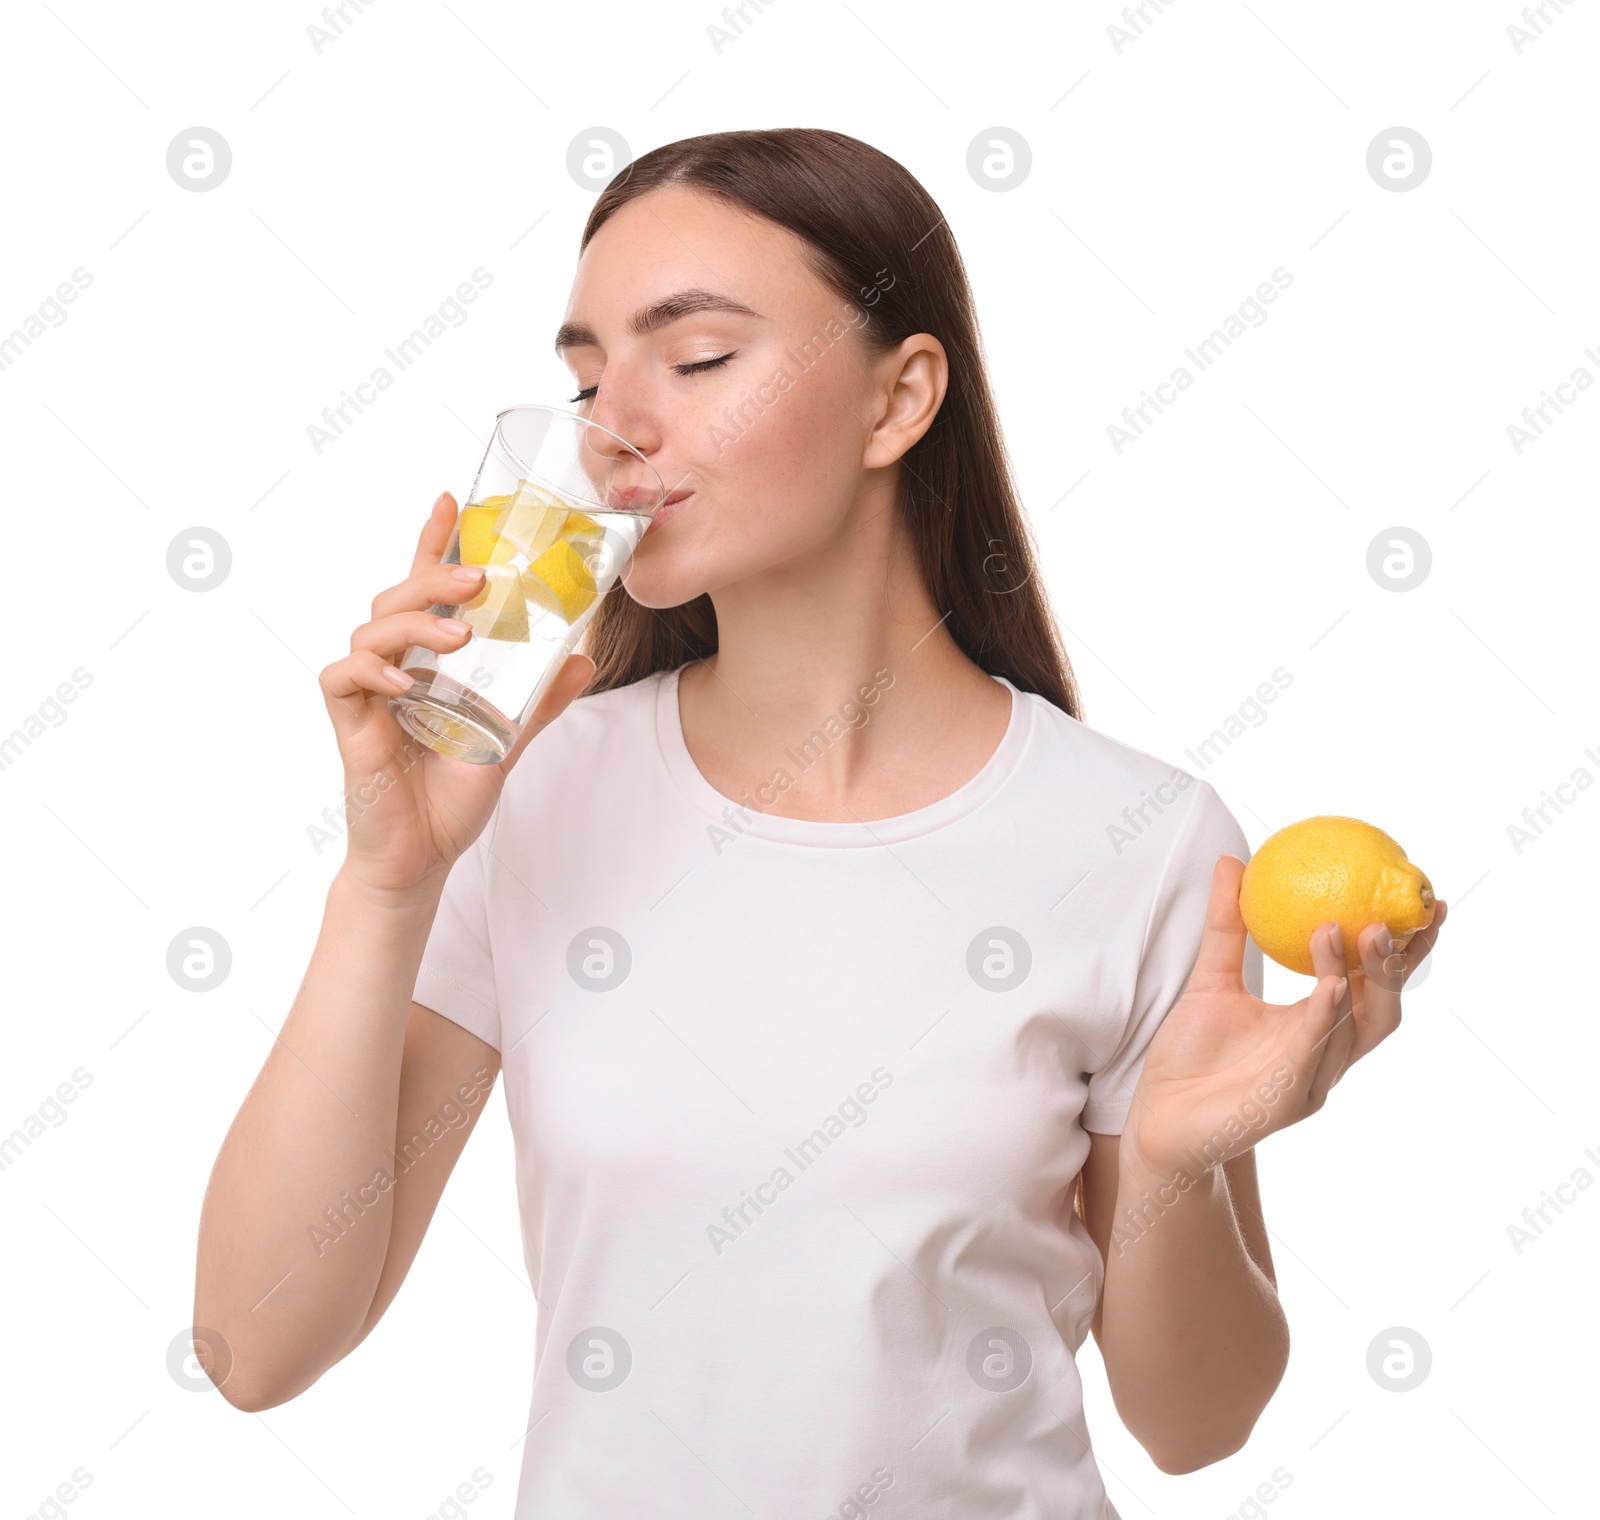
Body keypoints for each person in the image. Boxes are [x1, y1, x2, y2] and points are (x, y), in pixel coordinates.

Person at [194, 127, 1446, 1518]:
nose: (612, 424)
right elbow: (254, 1350)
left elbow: (1197, 1424)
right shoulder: (536, 792)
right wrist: (386, 885)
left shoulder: (1144, 838)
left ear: (898, 399)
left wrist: (1168, 1161)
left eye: (700, 356)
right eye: (585, 374)